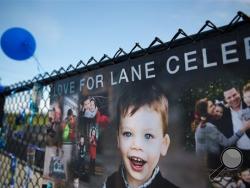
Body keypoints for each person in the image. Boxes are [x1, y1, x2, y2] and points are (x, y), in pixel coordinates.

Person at [103, 84, 178, 188]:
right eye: (128, 133)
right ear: (118, 139)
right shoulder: (109, 183)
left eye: (148, 136)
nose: (137, 145)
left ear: (163, 144)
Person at [194, 98, 250, 169]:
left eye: (213, 104)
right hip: (211, 166)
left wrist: (227, 105)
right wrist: (244, 128)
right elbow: (227, 143)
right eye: (211, 106)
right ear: (205, 111)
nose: (214, 106)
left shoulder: (203, 124)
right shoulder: (208, 127)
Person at [217, 86, 250, 167]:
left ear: (239, 93)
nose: (233, 99)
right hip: (241, 153)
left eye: (234, 95)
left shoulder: (248, 102)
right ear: (226, 100)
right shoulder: (223, 114)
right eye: (229, 97)